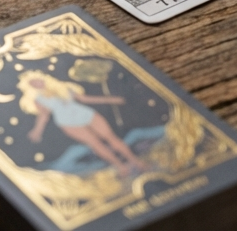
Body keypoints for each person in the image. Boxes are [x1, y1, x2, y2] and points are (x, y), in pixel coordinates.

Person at [19, 72, 148, 177]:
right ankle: (120, 166)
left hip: (86, 114)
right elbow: (44, 116)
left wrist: (111, 99)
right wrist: (37, 131)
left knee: (111, 137)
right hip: (68, 123)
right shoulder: (39, 100)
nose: (37, 83)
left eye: (37, 79)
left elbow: (85, 98)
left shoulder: (64, 88)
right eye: (33, 83)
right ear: (30, 87)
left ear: (43, 78)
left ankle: (135, 161)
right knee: (95, 144)